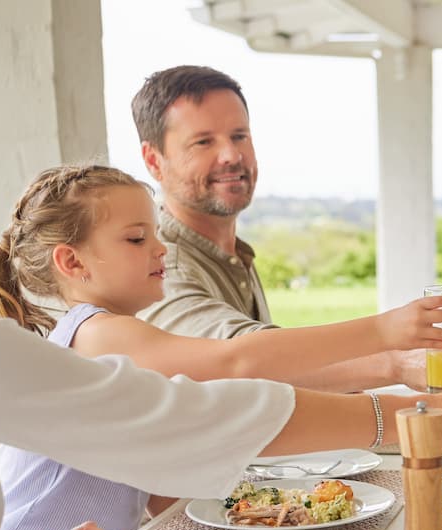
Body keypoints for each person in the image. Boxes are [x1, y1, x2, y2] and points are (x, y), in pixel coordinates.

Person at [0, 129, 442, 530]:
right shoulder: (99, 333)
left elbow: (166, 469)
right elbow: (236, 364)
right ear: (72, 261)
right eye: (136, 239)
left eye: (154, 233)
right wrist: (382, 335)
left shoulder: (112, 334)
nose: (160, 250)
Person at [130, 65, 424, 391]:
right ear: (153, 160)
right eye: (203, 142)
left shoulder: (228, 250)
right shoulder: (160, 265)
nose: (231, 155)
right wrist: (395, 362)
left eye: (239, 136)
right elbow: (244, 363)